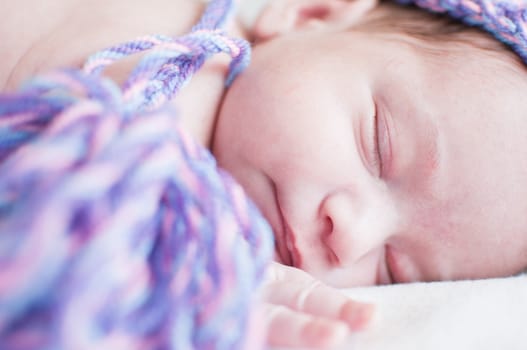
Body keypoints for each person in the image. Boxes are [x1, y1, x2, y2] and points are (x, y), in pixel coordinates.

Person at [1, 0, 527, 348]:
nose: (353, 235)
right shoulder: (185, 49)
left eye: (394, 269)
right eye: (379, 146)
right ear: (311, 13)